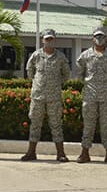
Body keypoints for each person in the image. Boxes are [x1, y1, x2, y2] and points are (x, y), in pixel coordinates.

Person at [21, 29, 71, 162]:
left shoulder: (60, 57)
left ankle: (60, 153)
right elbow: (29, 71)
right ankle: (31, 152)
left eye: (51, 39)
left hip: (54, 98)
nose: (49, 41)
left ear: (55, 40)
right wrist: (38, 83)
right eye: (47, 39)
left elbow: (66, 75)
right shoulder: (36, 55)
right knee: (35, 124)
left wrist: (56, 84)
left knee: (56, 125)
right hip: (38, 96)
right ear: (42, 40)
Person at [76, 26, 107, 163]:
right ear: (92, 38)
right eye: (97, 36)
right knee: (88, 125)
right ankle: (84, 153)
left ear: (106, 38)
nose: (99, 39)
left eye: (102, 36)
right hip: (90, 95)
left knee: (106, 125)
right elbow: (79, 73)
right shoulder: (85, 56)